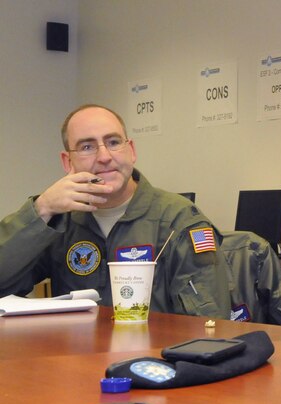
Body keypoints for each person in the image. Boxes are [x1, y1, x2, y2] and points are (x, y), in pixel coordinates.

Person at [0, 104, 231, 318]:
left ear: (131, 150)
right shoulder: (60, 221)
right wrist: (42, 208)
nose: (104, 157)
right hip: (72, 357)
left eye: (113, 142)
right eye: (87, 147)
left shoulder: (179, 221)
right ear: (67, 162)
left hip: (153, 359)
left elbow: (208, 324)